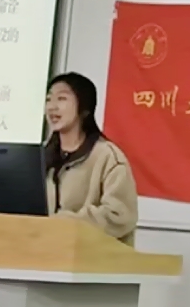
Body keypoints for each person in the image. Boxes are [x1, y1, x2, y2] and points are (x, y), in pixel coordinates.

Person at [43, 72, 139, 244]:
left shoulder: (108, 156)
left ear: (84, 108)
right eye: (48, 99)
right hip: (44, 252)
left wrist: (66, 223)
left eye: (62, 98)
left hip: (93, 255)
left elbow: (119, 215)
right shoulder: (41, 156)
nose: (52, 107)